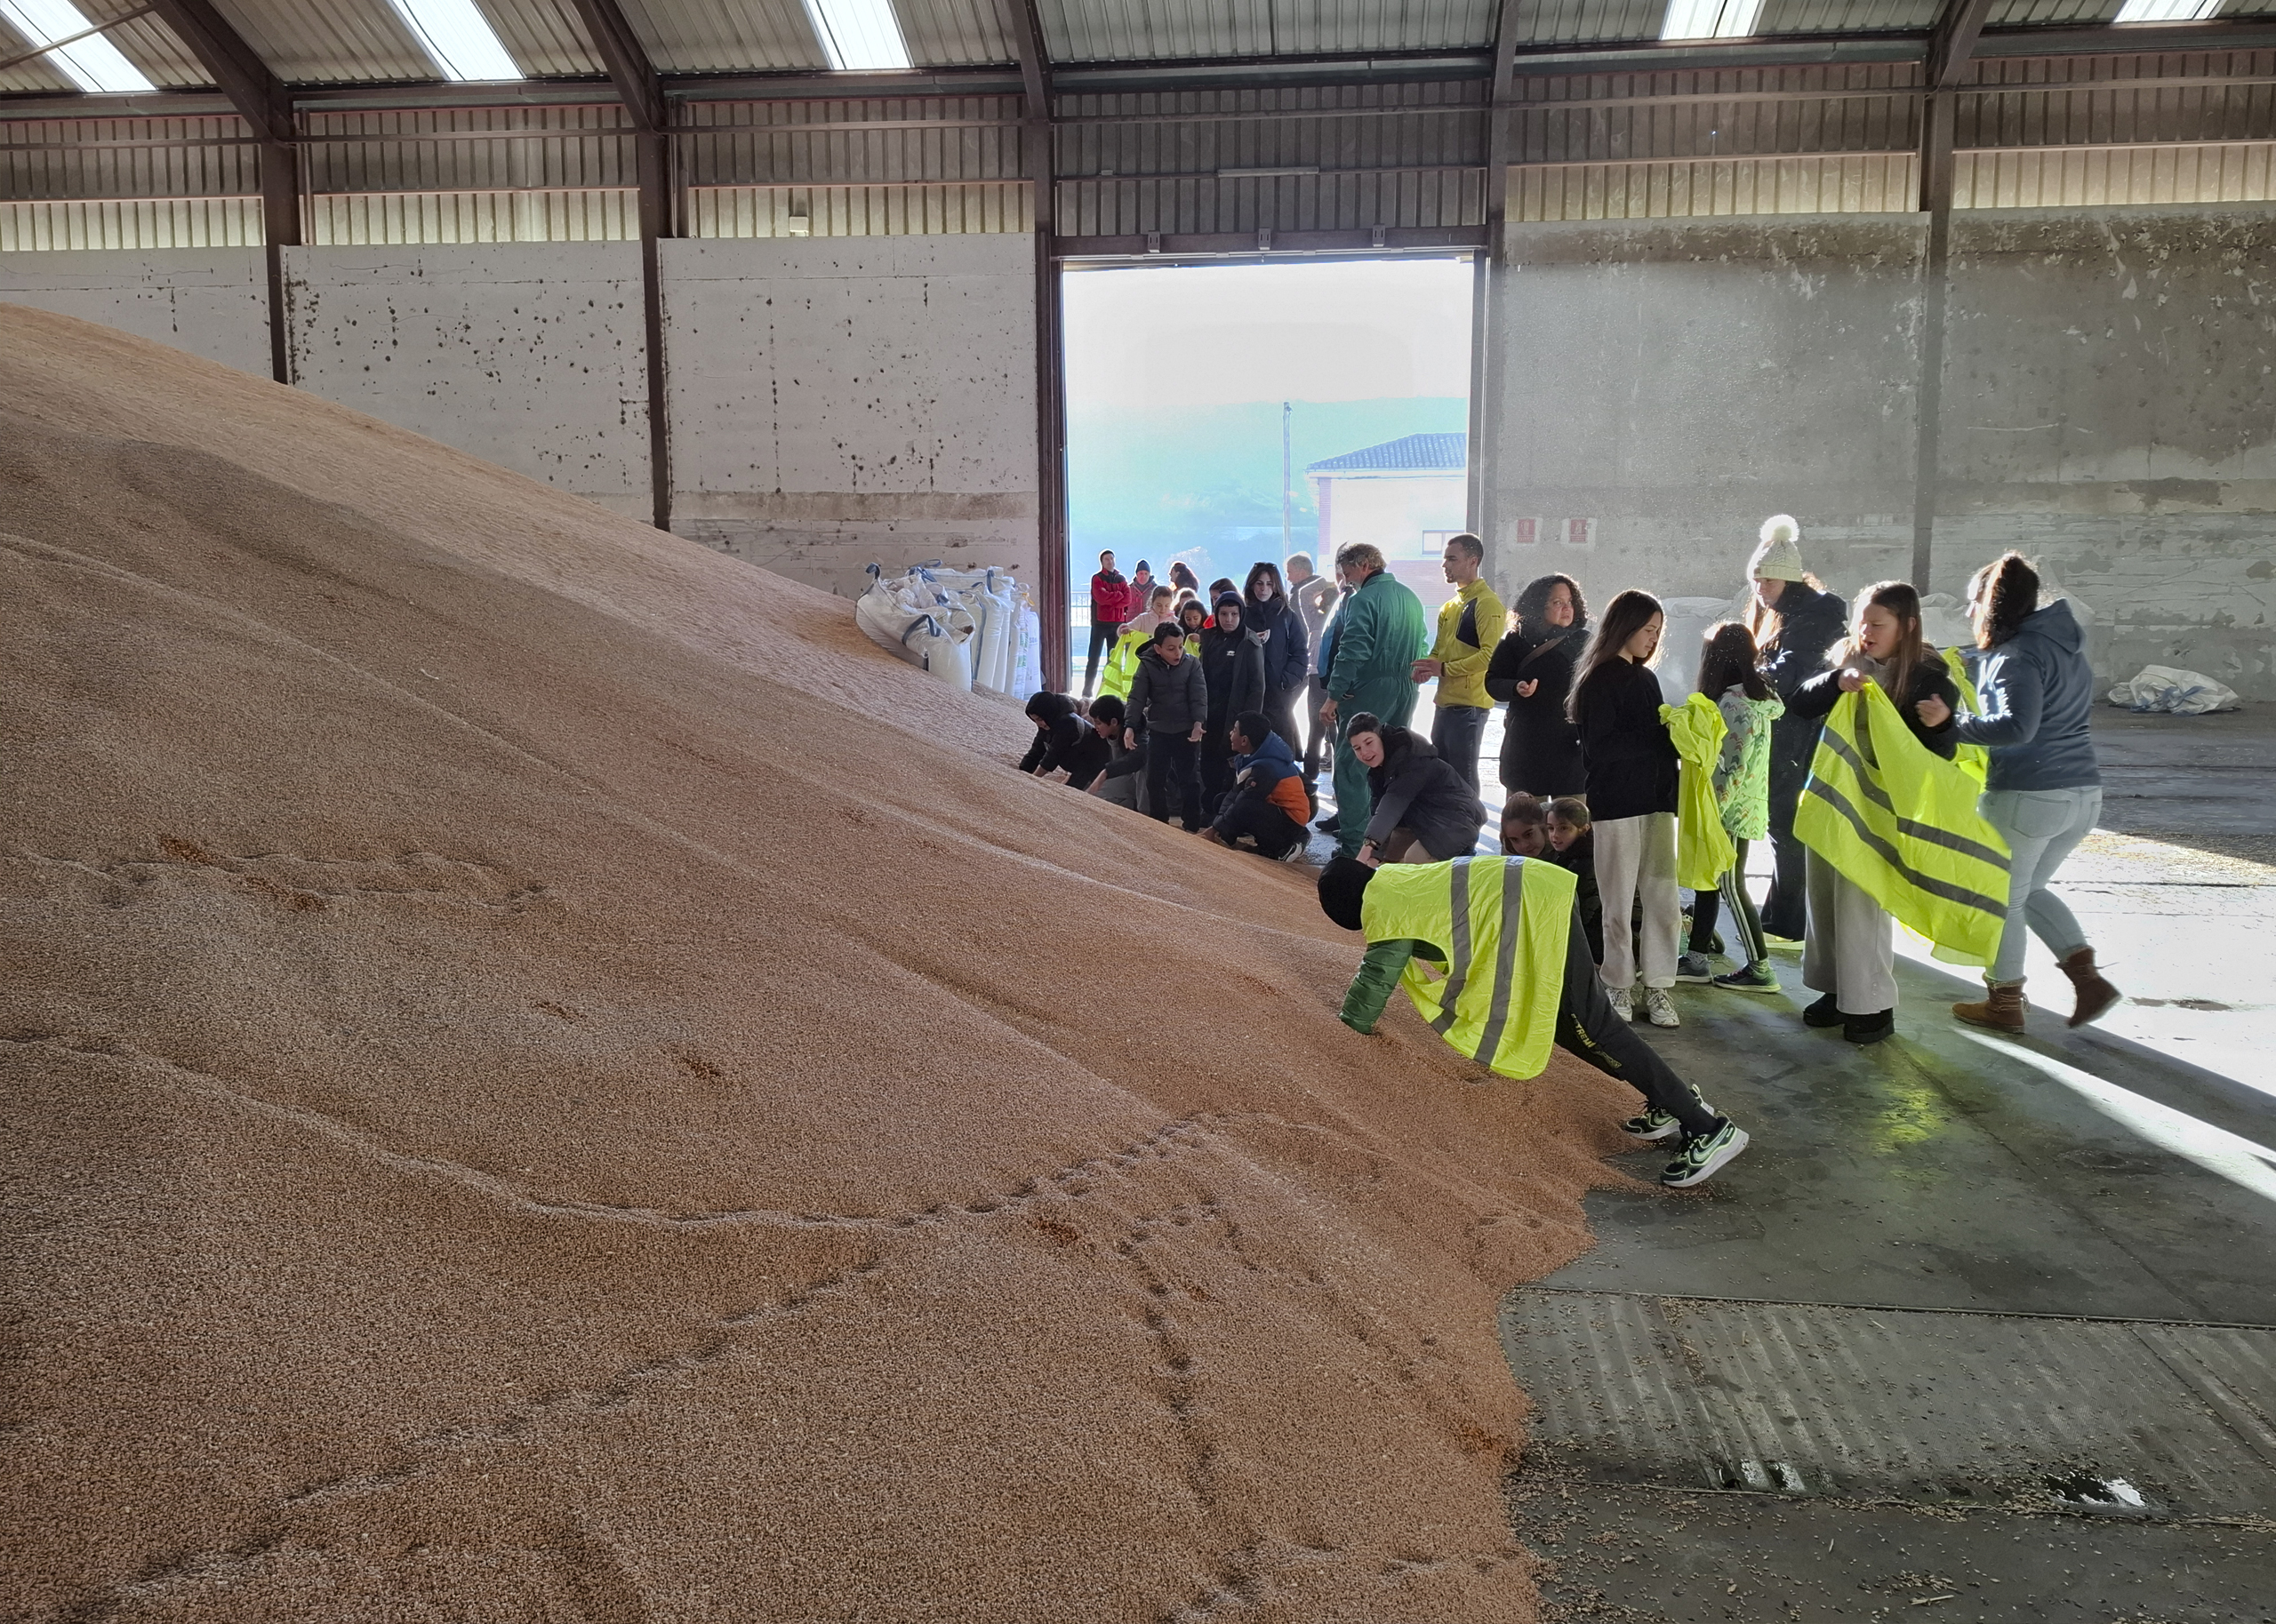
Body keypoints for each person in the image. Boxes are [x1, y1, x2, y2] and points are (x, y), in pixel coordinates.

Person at [1318, 854, 1751, 1188]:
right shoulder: (1393, 879)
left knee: (1596, 1025)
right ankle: (1667, 1100)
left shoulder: (1386, 907)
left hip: (1540, 909)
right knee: (1562, 1025)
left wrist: (1344, 1030)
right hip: (1534, 898)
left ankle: (1707, 1127)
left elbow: (1375, 980)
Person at [1916, 553, 2120, 1031]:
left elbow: (2018, 726)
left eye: (1973, 604)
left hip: (2028, 795)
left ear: (1991, 605)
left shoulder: (2015, 655)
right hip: (2082, 793)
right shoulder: (2063, 645)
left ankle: (2004, 1001)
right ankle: (2088, 981)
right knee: (2028, 892)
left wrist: (1950, 723)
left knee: (2001, 899)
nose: (1969, 613)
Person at [1786, 581, 1959, 1045]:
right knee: (1824, 899)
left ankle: (1873, 1005)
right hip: (1832, 802)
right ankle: (1836, 990)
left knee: (1862, 906)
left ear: (1908, 626)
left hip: (1881, 812)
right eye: (1862, 622)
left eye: (1878, 624)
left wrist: (1942, 726)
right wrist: (1833, 681)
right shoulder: (1848, 662)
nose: (1866, 632)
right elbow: (1799, 702)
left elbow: (1943, 755)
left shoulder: (1929, 679)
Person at [1570, 590, 1682, 1028]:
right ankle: (1617, 982)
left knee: (1663, 898)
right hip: (1616, 803)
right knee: (1616, 900)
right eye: (1648, 629)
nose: (1653, 639)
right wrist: (1661, 736)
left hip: (1656, 803)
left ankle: (1659, 985)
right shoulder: (1599, 680)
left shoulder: (1646, 678)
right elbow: (1600, 749)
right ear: (1625, 626)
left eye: (1658, 632)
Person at [1744, 516, 1848, 942]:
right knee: (1784, 822)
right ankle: (1782, 912)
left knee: (1784, 821)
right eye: (1756, 580)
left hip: (1798, 727)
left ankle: (1789, 917)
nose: (1760, 589)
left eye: (1767, 580)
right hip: (1796, 724)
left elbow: (1790, 673)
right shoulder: (1793, 612)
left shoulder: (1809, 617)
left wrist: (1751, 677)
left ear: (1788, 579)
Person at [1675, 623, 1785, 994]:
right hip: (1744, 806)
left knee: (1730, 885)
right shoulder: (1755, 698)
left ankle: (1761, 968)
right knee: (1711, 882)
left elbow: (1734, 766)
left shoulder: (1735, 704)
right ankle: (1697, 958)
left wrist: (1714, 811)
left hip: (1730, 811)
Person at [1318, 543, 1431, 860]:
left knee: (1351, 765)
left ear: (1364, 565)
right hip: (1406, 686)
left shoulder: (1363, 599)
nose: (1346, 579)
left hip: (1371, 688)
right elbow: (1422, 642)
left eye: (1348, 571)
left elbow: (1352, 649)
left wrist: (1334, 695)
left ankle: (1355, 845)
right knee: (1391, 762)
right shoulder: (1410, 597)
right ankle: (1384, 841)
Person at [1412, 533, 1503, 795]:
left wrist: (1444, 669)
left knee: (1463, 778)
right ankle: (1451, 820)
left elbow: (1489, 657)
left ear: (1473, 561)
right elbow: (1439, 650)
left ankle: (1468, 821)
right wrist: (1427, 667)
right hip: (1445, 702)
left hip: (1470, 705)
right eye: (1445, 559)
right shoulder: (1450, 606)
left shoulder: (1487, 603)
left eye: (1452, 559)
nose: (1445, 565)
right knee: (1443, 774)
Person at [1486, 573, 1590, 796]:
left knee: (1572, 816)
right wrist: (1516, 688)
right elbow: (1493, 682)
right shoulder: (1515, 641)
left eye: (1570, 602)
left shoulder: (1584, 641)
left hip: (1571, 751)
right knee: (1526, 815)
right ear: (1538, 606)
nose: (1567, 608)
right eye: (1557, 602)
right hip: (1526, 751)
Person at [1344, 712, 1487, 868]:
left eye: (1369, 742)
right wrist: (1371, 861)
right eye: (1357, 748)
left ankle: (1462, 859)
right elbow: (1378, 815)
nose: (1364, 752)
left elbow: (1390, 808)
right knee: (1387, 856)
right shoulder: (1378, 771)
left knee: (1415, 859)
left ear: (1381, 737)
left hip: (1459, 819)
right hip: (1426, 820)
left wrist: (1365, 852)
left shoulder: (1410, 759)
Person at [1126, 621, 1207, 828]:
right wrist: (1130, 726)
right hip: (1159, 730)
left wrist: (1198, 723)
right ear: (1158, 649)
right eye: (1171, 648)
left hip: (1186, 731)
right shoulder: (1147, 665)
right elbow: (1136, 697)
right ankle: (1160, 824)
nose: (1177, 652)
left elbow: (1199, 696)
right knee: (1154, 780)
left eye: (1180, 646)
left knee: (1189, 780)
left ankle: (1192, 824)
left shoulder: (1192, 664)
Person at [1201, 711, 1310, 861]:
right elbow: (1234, 793)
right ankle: (1227, 837)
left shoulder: (1267, 767)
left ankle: (1285, 845)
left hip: (1291, 821)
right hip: (1273, 809)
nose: (1230, 734)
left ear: (1244, 740)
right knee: (1221, 800)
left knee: (1246, 806)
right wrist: (1216, 828)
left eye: (1234, 730)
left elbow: (1246, 799)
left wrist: (1215, 830)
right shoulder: (1252, 755)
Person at [1198, 593, 1267, 811]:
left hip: (1235, 714)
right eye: (1224, 614)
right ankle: (1208, 808)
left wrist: (1248, 722)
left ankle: (1225, 811)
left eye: (1234, 614)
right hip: (1210, 712)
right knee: (1208, 760)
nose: (1229, 619)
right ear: (1216, 615)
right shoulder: (1208, 638)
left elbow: (1257, 686)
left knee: (1230, 763)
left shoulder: (1249, 642)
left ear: (1241, 615)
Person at [1244, 561, 1310, 758]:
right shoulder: (1242, 614)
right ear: (1251, 585)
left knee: (1282, 747)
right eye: (1259, 583)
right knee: (1250, 746)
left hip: (1278, 692)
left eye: (1269, 584)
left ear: (1276, 586)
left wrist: (1287, 680)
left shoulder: (1287, 615)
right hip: (1248, 692)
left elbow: (1300, 652)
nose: (1264, 589)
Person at [1305, 563, 1355, 813]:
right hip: (1316, 678)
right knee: (1316, 730)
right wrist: (1330, 580)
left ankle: (1339, 786)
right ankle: (1309, 779)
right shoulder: (1315, 618)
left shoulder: (1347, 612)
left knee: (1338, 736)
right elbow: (1305, 594)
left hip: (1336, 678)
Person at [1544, 797, 1602, 964]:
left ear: (1583, 829)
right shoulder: (1563, 854)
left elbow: (1583, 912)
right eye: (1550, 828)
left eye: (1564, 828)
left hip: (1593, 943)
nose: (1555, 835)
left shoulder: (1587, 862)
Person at [1098, 584, 1175, 704]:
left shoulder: (1174, 621)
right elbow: (1126, 629)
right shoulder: (1143, 619)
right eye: (1159, 605)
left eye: (1167, 606)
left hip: (1165, 665)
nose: (1163, 609)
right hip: (1142, 664)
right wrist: (1124, 630)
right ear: (1152, 602)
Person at [1017, 692, 1109, 788]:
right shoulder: (1048, 723)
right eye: (1035, 720)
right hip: (1078, 762)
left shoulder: (1068, 723)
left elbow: (1053, 756)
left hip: (1093, 763)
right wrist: (1023, 769)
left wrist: (1032, 780)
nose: (1038, 724)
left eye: (1039, 719)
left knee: (1071, 789)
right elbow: (1037, 749)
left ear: (1047, 713)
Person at [1083, 551, 1134, 697]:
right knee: (1093, 659)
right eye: (1107, 559)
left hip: (1117, 625)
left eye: (1112, 558)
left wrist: (1111, 599)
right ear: (1102, 562)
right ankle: (1087, 691)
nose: (1110, 561)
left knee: (1113, 660)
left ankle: (1107, 689)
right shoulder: (1097, 578)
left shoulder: (1121, 578)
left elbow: (1128, 599)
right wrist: (1118, 595)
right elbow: (1100, 598)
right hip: (1099, 624)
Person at [1081, 697, 1146, 811]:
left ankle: (1144, 812)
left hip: (1137, 780)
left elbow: (1139, 757)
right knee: (1091, 792)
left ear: (1114, 722)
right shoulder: (1105, 734)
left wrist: (1106, 772)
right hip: (1124, 779)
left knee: (1095, 796)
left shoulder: (1136, 732)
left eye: (1098, 723)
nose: (1095, 727)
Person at [1502, 792, 1549, 857]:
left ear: (1544, 824)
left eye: (1528, 835)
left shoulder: (1560, 823)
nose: (1524, 845)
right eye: (1514, 840)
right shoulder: (1509, 849)